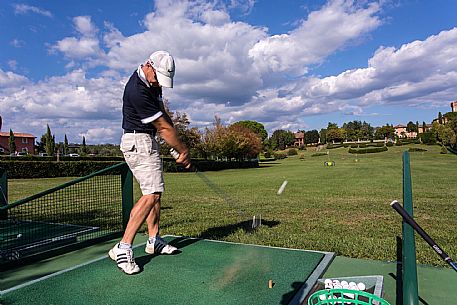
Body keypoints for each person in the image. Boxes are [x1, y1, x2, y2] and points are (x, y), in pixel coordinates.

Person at [109, 50, 191, 274]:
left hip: (147, 140)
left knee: (156, 193)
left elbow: (163, 117)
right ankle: (123, 247)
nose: (159, 84)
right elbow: (162, 127)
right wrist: (181, 149)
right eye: (158, 77)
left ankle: (153, 240)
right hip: (137, 141)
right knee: (151, 193)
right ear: (148, 66)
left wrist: (174, 145)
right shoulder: (137, 90)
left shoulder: (153, 85)